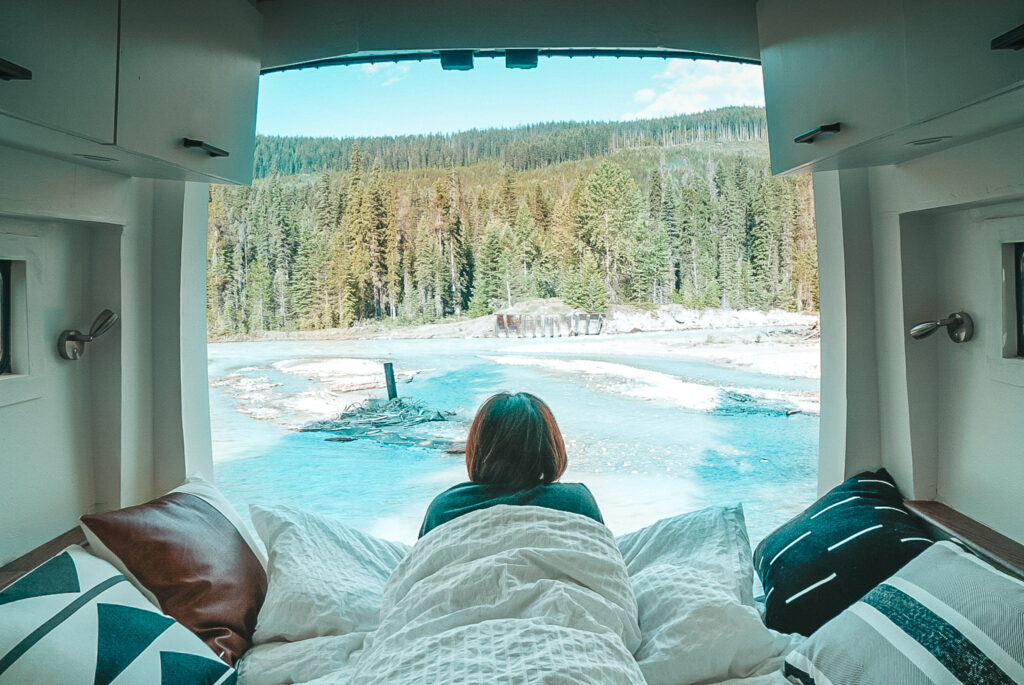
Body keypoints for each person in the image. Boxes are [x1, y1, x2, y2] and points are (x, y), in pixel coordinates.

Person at [419, 392, 603, 538]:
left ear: (478, 449)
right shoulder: (576, 502)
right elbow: (606, 565)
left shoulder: (446, 508)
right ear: (550, 448)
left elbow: (420, 575)